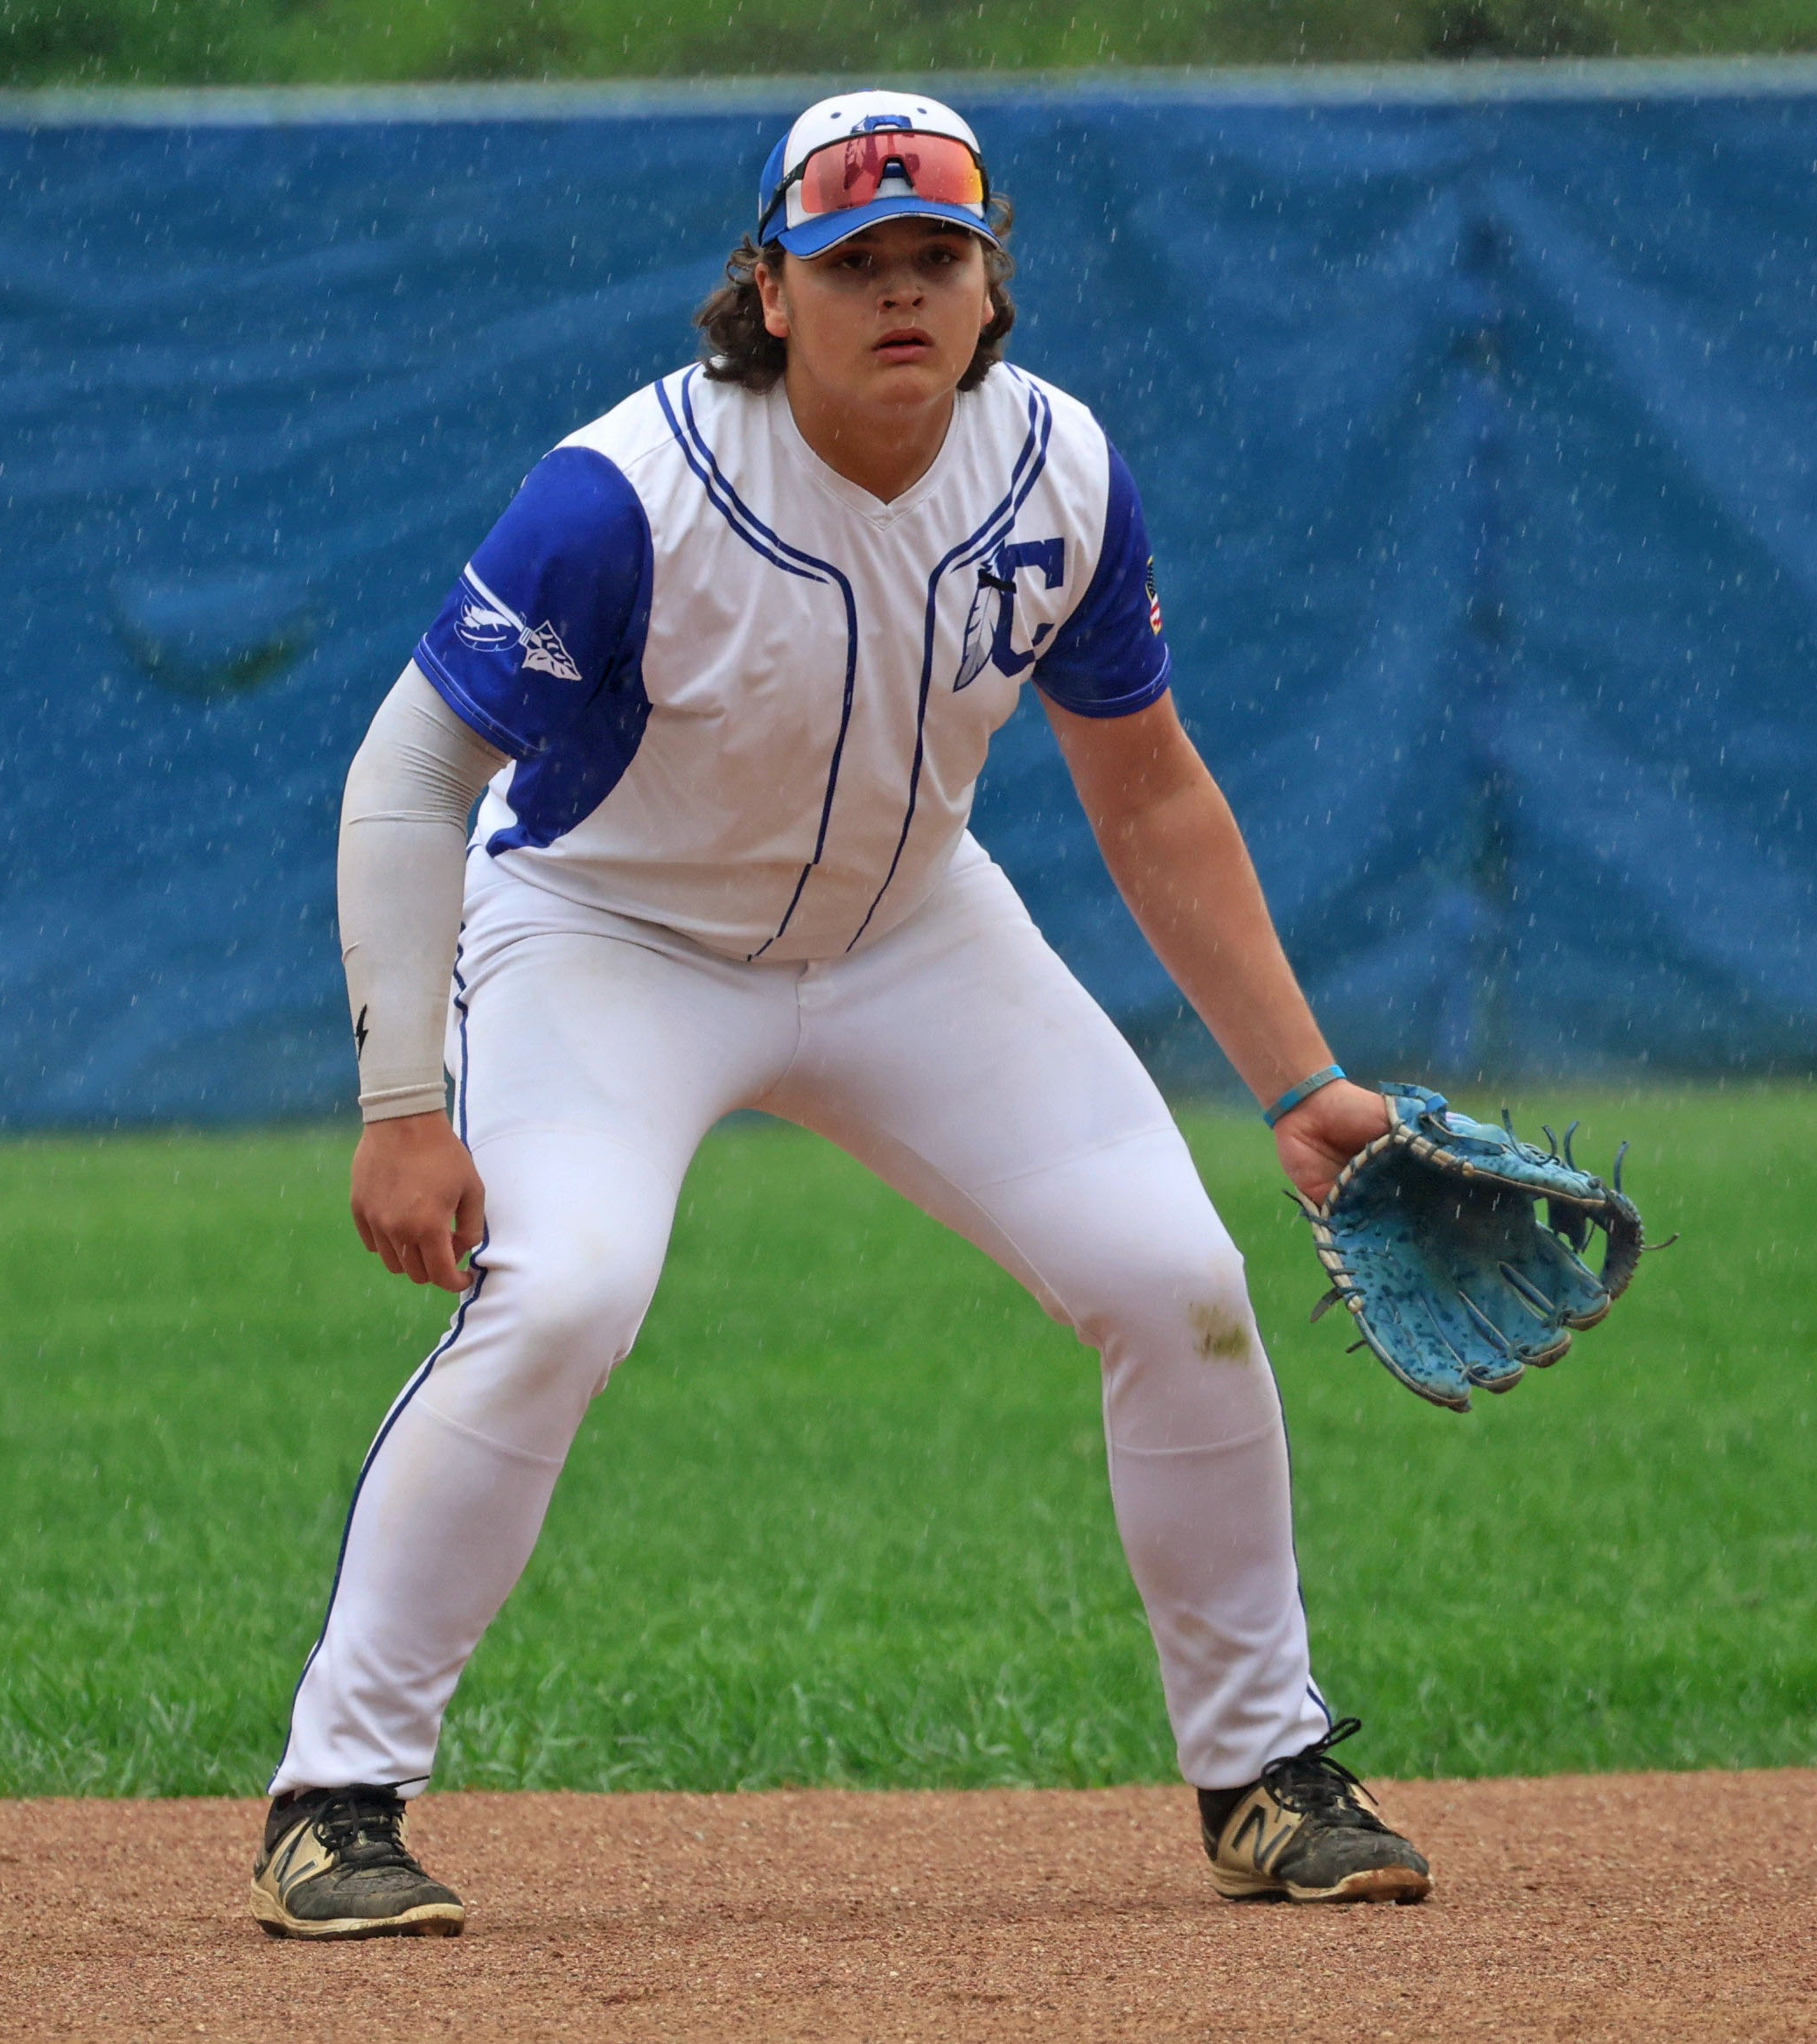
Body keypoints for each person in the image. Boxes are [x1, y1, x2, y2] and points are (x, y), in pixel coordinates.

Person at [248, 90, 1431, 1942]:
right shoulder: (626, 494)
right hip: (607, 936)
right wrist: (405, 1099)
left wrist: (1300, 1082)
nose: (899, 292)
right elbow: (410, 778)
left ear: (990, 287)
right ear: (769, 292)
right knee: (563, 1294)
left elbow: (1148, 792)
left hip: (909, 935)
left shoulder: (1058, 470)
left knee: (1177, 1282)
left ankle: (1266, 1772)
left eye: (935, 257)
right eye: (852, 258)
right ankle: (335, 1800)